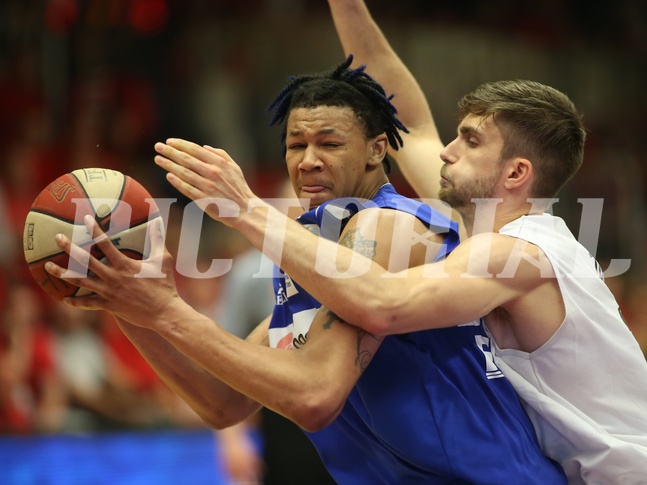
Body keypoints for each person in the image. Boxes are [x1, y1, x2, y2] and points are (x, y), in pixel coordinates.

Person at [140, 3, 647, 484]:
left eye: (470, 141)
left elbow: (381, 303)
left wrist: (246, 209)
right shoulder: (481, 222)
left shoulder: (518, 253)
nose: (445, 150)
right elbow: (402, 106)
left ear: (515, 173)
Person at [46, 59, 566, 483]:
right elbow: (223, 401)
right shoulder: (313, 255)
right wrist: (128, 304)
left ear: (376, 150)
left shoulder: (388, 226)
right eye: (296, 145)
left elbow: (315, 395)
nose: (308, 160)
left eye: (330, 143)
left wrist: (168, 308)